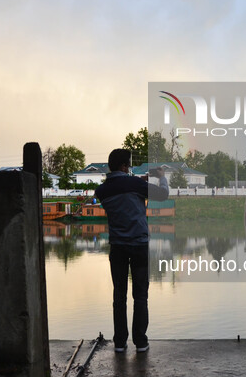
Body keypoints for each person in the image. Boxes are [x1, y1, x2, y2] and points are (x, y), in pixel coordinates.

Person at [95, 149, 169, 353]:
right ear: (124, 166)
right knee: (140, 296)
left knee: (119, 295)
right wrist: (161, 177)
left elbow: (121, 188)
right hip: (139, 245)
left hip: (117, 246)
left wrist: (137, 180)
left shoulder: (101, 191)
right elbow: (163, 194)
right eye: (129, 165)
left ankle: (120, 342)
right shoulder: (135, 185)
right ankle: (141, 342)